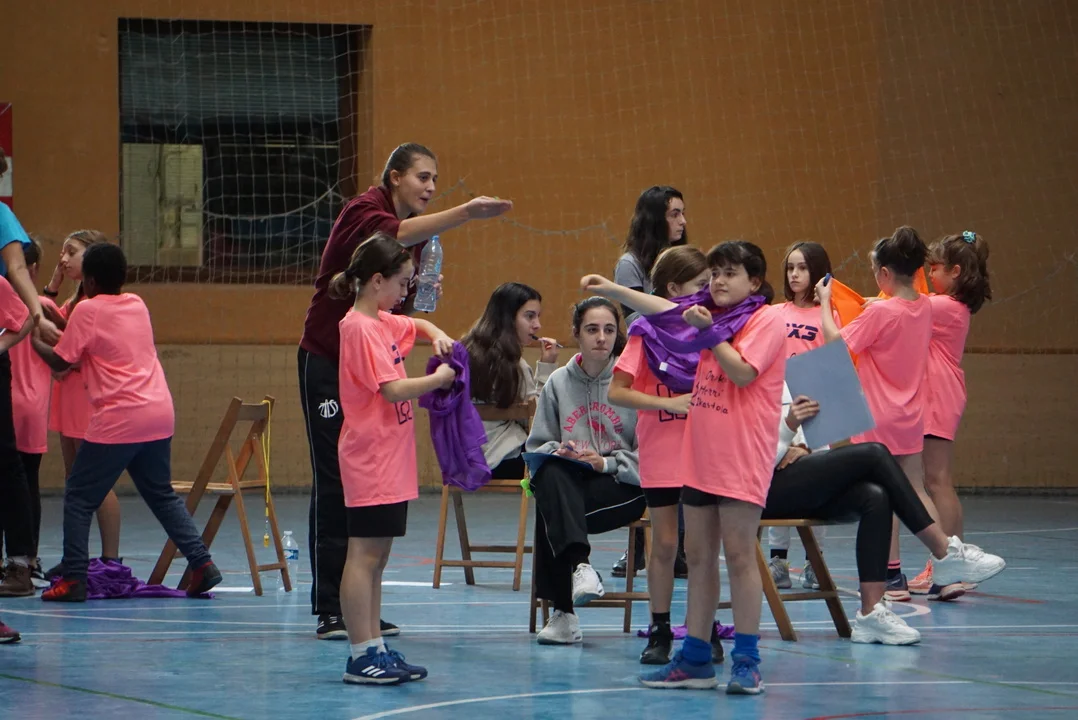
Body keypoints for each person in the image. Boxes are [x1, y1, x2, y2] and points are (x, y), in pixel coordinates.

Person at [298, 143, 512, 640]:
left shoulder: (415, 239)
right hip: (327, 360)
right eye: (422, 177)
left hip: (365, 370)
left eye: (436, 179)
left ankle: (361, 613)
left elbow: (399, 313)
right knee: (334, 479)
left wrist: (426, 321)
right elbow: (393, 234)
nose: (431, 187)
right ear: (394, 177)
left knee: (370, 499)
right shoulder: (366, 211)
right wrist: (466, 212)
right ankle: (331, 606)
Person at [30, 243, 222, 602]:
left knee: (78, 496)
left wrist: (33, 339)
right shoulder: (137, 304)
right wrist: (58, 322)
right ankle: (202, 564)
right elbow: (92, 337)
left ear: (88, 281)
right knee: (161, 494)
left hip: (119, 417)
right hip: (158, 413)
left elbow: (62, 361)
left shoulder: (87, 309)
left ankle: (73, 579)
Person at [763, 384, 1006, 645]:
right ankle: (943, 551)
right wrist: (788, 430)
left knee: (875, 496)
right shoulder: (743, 385)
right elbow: (752, 455)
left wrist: (802, 445)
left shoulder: (784, 381)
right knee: (875, 454)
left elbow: (806, 439)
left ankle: (871, 614)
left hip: (793, 474)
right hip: (759, 491)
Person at [582, 246, 729, 665]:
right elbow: (618, 392)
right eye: (700, 284)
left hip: (704, 449)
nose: (709, 291)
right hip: (662, 450)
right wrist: (669, 403)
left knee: (701, 548)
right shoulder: (646, 332)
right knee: (664, 545)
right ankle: (660, 629)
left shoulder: (713, 327)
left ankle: (705, 628)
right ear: (673, 289)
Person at [332, 233, 456, 685]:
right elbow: (392, 389)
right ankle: (359, 653)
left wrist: (436, 332)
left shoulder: (380, 321)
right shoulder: (359, 328)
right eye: (402, 283)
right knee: (363, 556)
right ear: (376, 280)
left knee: (378, 558)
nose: (406, 292)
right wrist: (438, 380)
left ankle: (376, 647)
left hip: (390, 456)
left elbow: (415, 326)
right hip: (371, 457)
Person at [816, 227, 942, 602]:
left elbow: (836, 343)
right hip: (912, 414)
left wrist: (825, 303)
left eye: (875, 272)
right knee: (917, 488)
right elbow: (894, 309)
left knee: (882, 495)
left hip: (878, 416)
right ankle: (946, 565)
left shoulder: (881, 312)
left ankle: (892, 577)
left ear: (885, 273)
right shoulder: (925, 307)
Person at [525, 297, 645, 646]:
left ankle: (564, 613)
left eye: (609, 330)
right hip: (572, 483)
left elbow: (649, 458)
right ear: (576, 333)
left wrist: (604, 463)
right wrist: (561, 452)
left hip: (622, 486)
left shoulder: (633, 382)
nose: (601, 338)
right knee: (550, 477)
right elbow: (537, 446)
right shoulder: (558, 383)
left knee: (551, 507)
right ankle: (581, 568)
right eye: (592, 329)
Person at [905, 231, 993, 597]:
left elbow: (897, 306)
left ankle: (947, 565)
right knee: (938, 479)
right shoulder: (949, 305)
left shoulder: (941, 306)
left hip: (937, 393)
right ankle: (950, 565)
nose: (929, 274)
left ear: (955, 271)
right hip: (943, 392)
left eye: (935, 268)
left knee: (937, 480)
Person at [40, 230, 123, 580]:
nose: (63, 258)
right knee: (74, 482)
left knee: (97, 483)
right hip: (68, 398)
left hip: (88, 397)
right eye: (61, 252)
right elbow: (45, 319)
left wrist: (63, 359)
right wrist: (53, 284)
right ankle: (76, 555)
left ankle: (111, 560)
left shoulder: (99, 304)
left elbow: (71, 347)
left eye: (70, 252)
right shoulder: (76, 302)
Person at [0, 146, 59, 597]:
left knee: (8, 461)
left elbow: (17, 269)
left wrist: (37, 313)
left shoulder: (2, 217)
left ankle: (21, 561)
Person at [768, 241, 836, 591]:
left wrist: (826, 303)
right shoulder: (775, 314)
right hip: (779, 408)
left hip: (816, 408)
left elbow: (836, 358)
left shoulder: (828, 316)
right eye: (790, 267)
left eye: (803, 268)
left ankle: (815, 563)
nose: (794, 274)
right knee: (778, 478)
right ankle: (777, 560)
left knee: (816, 486)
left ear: (819, 272)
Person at [461, 282, 559, 476]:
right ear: (507, 318)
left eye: (538, 316)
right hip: (501, 460)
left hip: (459, 460)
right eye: (529, 316)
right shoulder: (513, 366)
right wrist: (547, 368)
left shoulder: (462, 352)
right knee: (561, 462)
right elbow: (538, 420)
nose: (537, 325)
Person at [5, 237, 58, 587]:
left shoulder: (5, 300)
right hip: (33, 408)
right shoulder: (41, 306)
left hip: (7, 401)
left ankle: (13, 560)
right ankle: (29, 557)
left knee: (7, 483)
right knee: (27, 485)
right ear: (33, 269)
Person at [613, 186, 688, 318]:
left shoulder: (686, 259)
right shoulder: (629, 264)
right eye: (674, 215)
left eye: (683, 214)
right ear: (654, 220)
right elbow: (635, 320)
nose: (683, 221)